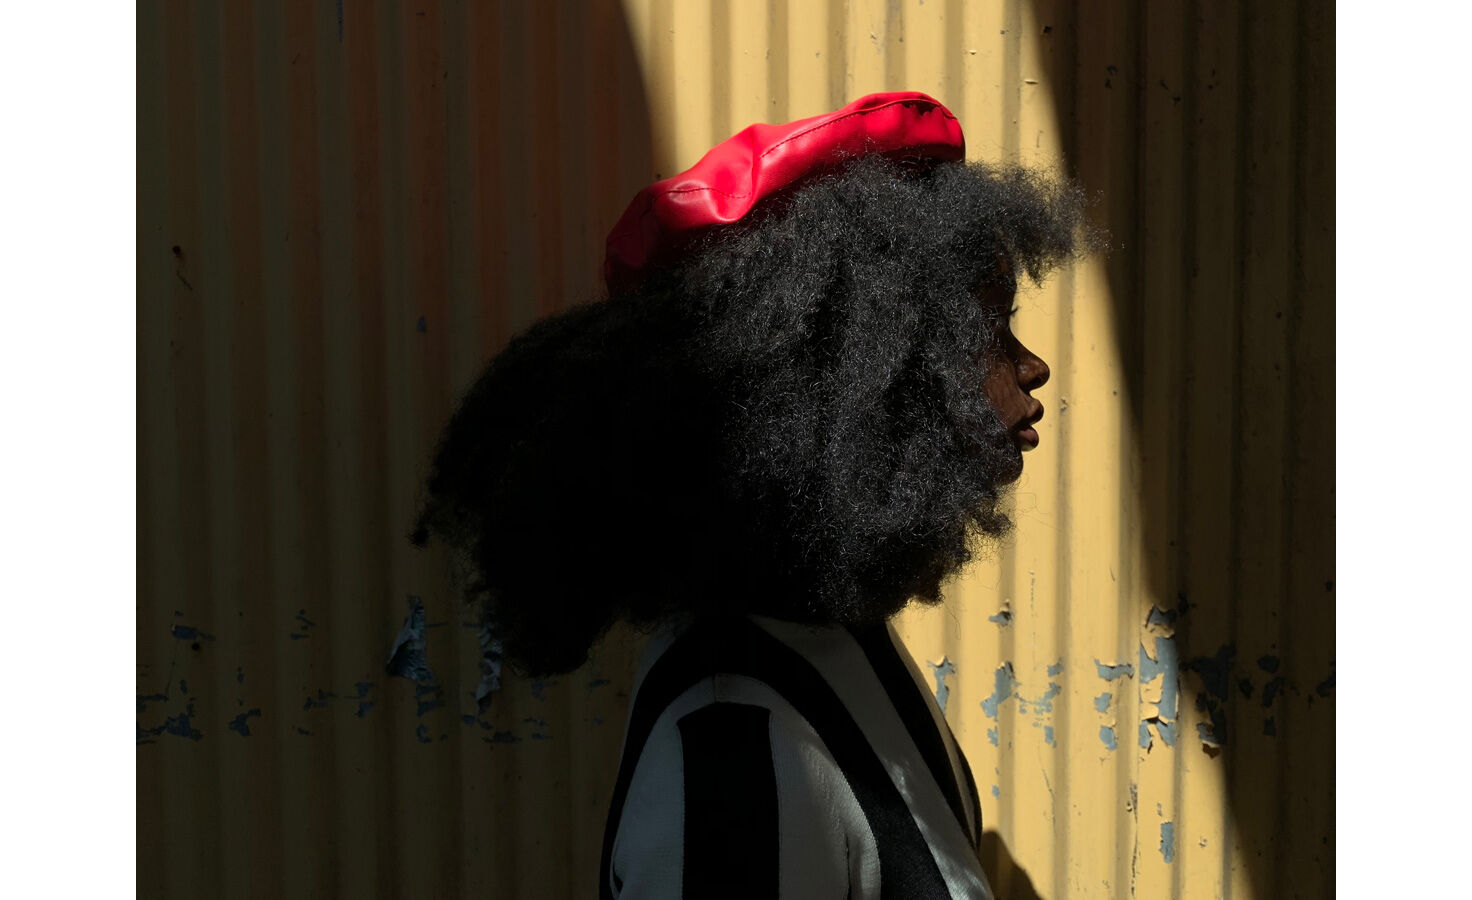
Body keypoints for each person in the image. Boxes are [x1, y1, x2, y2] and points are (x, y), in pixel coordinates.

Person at [410, 91, 1093, 899]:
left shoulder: (837, 634)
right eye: (986, 327)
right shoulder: (734, 755)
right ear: (864, 380)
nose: (1031, 366)